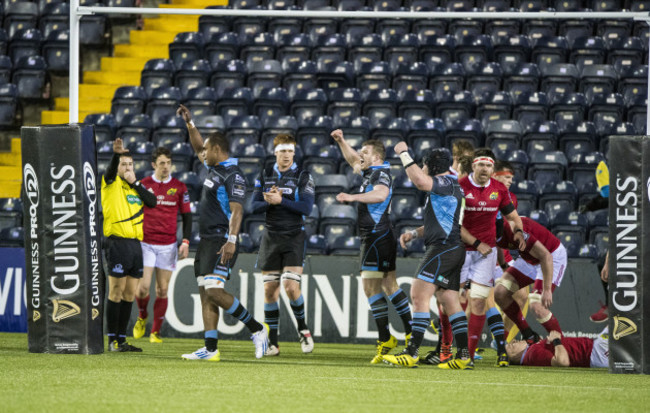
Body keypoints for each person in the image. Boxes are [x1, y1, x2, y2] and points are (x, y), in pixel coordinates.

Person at [177, 104, 268, 361]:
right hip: (206, 240)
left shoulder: (233, 175)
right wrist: (190, 123)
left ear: (216, 149)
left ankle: (257, 329)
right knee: (206, 294)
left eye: (206, 149)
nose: (202, 153)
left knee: (215, 291)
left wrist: (231, 239)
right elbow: (196, 146)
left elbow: (238, 210)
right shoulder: (214, 169)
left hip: (221, 239)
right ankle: (211, 349)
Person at [383, 144, 473, 370]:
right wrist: (414, 233)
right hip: (452, 248)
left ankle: (412, 352)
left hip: (443, 248)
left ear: (431, 166)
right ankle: (463, 356)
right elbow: (439, 221)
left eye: (424, 164)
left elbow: (420, 182)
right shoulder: (450, 185)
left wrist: (404, 153)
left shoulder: (444, 183)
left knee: (419, 293)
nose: (421, 168)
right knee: (449, 301)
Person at [331, 129, 413, 364]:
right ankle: (406, 334)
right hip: (379, 236)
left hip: (377, 236)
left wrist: (352, 197)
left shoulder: (380, 175)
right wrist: (341, 141)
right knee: (389, 286)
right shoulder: (370, 171)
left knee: (371, 288)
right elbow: (352, 160)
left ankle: (389, 338)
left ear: (376, 157)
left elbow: (380, 195)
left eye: (365, 152)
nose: (360, 155)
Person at [459, 148, 526, 366]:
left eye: (489, 165)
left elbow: (514, 218)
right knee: (457, 302)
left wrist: (518, 232)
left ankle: (466, 356)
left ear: (492, 168)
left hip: (486, 255)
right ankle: (445, 348)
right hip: (461, 251)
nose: (485, 169)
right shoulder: (460, 186)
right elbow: (454, 224)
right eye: (481, 165)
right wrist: (476, 244)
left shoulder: (498, 190)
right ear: (474, 166)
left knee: (478, 303)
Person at [251, 133, 315, 356]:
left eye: (289, 151)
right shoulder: (265, 174)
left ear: (294, 153)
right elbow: (253, 206)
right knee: (270, 290)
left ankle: (303, 329)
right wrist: (270, 201)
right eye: (282, 151)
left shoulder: (303, 176)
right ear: (275, 152)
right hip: (270, 237)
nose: (286, 155)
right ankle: (274, 343)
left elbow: (306, 208)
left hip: (293, 237)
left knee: (290, 286)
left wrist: (281, 201)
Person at [101, 138, 157, 352]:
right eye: (123, 164)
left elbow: (152, 202)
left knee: (129, 293)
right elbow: (109, 171)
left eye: (130, 164)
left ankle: (122, 340)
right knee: (115, 291)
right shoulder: (110, 183)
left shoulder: (135, 187)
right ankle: (112, 340)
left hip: (135, 245)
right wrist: (116, 155)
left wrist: (135, 182)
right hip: (117, 243)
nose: (127, 168)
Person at [132, 147, 192, 343]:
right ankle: (142, 316)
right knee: (142, 289)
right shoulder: (144, 184)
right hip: (146, 243)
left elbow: (187, 216)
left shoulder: (180, 187)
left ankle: (155, 332)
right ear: (153, 165)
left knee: (162, 290)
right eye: (161, 163)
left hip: (168, 245)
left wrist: (185, 241)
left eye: (168, 163)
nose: (166, 167)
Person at [494, 217, 567, 342]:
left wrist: (547, 289)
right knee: (500, 292)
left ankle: (564, 346)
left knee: (537, 305)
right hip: (529, 258)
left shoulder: (516, 231)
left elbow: (546, 256)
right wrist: (504, 266)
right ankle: (528, 335)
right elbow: (498, 246)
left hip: (551, 256)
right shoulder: (489, 230)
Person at [492, 160, 529, 342]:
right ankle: (447, 333)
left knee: (521, 295)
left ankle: (501, 341)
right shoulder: (483, 193)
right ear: (494, 175)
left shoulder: (511, 197)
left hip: (502, 254)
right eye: (506, 177)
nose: (510, 181)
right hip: (481, 251)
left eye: (511, 179)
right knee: (476, 301)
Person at [506, 329, 609, 368]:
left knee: (618, 315)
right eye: (511, 346)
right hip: (595, 353)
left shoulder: (532, 351)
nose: (514, 341)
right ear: (514, 356)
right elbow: (562, 362)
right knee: (620, 314)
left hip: (594, 347)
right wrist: (556, 340)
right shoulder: (532, 354)